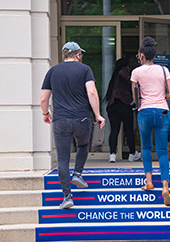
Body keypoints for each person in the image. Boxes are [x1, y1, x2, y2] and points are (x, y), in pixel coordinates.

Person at [40, 41, 105, 209]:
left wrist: (46, 113)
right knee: (83, 145)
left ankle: (67, 196)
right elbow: (91, 92)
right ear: (77, 55)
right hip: (81, 118)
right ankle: (78, 173)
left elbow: (43, 98)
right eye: (80, 54)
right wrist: (97, 115)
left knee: (62, 159)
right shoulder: (85, 70)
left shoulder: (52, 71)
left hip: (60, 119)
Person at [131, 37, 170, 206]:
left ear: (142, 55)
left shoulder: (137, 72)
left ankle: (149, 181)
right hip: (162, 111)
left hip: (145, 112)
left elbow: (135, 97)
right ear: (154, 55)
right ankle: (165, 188)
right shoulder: (164, 70)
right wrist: (161, 96)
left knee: (146, 147)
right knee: (163, 151)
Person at [105, 58, 141, 163]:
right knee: (128, 130)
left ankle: (112, 155)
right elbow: (132, 84)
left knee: (114, 130)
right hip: (124, 105)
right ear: (126, 66)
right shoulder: (123, 72)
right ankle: (132, 154)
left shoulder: (115, 76)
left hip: (113, 106)